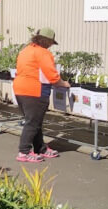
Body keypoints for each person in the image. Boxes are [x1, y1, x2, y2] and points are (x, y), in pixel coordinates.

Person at [12, 28, 70, 163]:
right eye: (50, 43)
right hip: (35, 91)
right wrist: (64, 83)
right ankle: (24, 152)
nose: (50, 46)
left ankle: (40, 148)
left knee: (34, 121)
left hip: (20, 89)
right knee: (32, 123)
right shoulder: (43, 53)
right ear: (47, 41)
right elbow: (52, 75)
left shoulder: (26, 50)